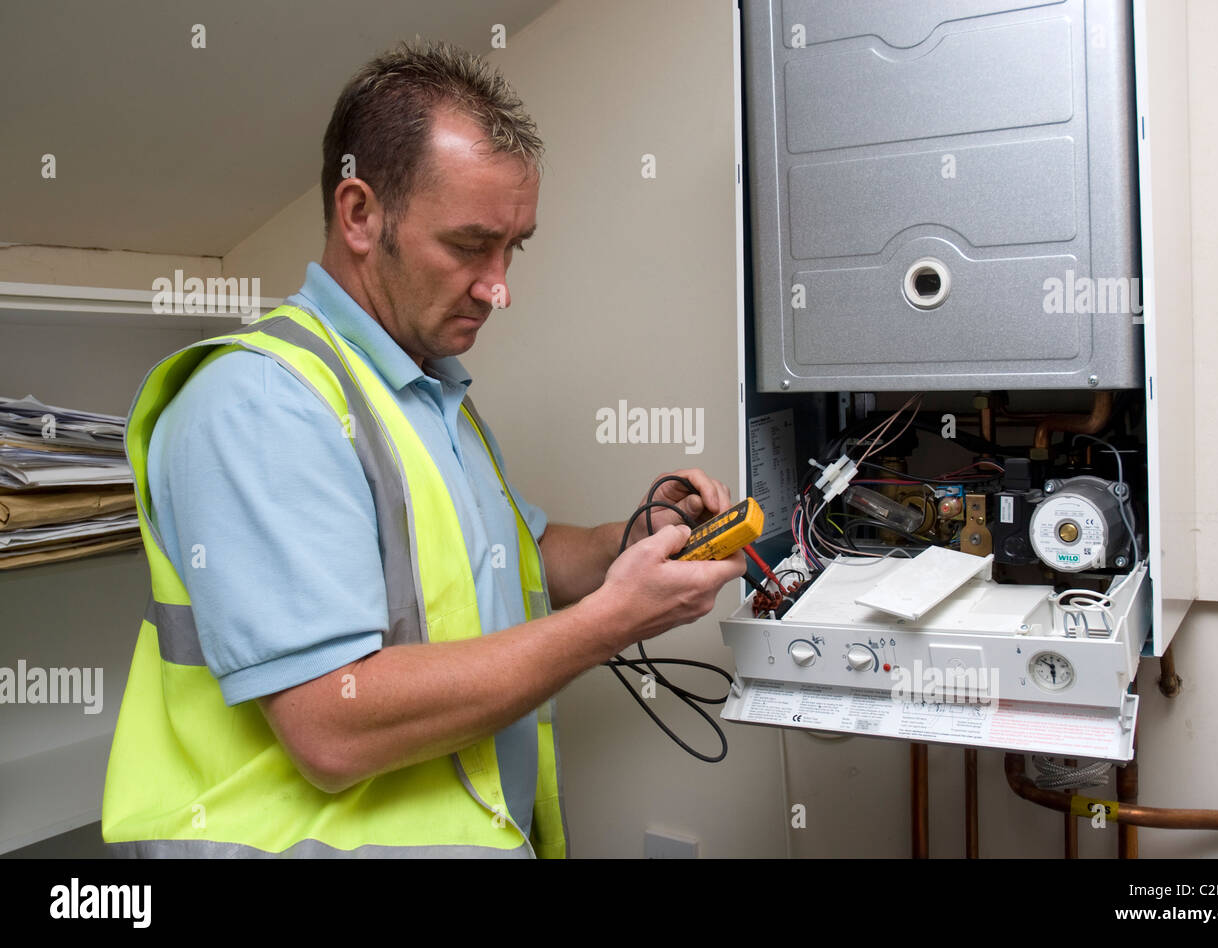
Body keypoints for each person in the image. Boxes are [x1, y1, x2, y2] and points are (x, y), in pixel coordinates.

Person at [101, 40, 745, 858]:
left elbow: (512, 556)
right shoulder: (260, 404)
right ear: (361, 214)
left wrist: (641, 543)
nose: (499, 284)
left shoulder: (426, 388)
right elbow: (330, 725)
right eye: (470, 244)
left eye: (515, 247)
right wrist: (613, 623)